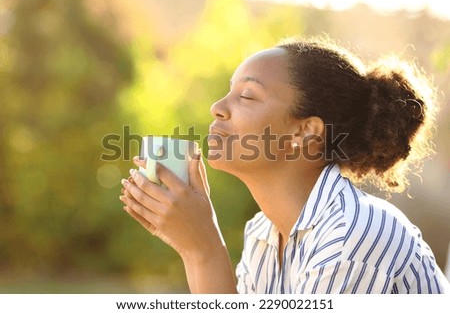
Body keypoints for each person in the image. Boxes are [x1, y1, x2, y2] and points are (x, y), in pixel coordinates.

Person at [119, 36, 450, 293]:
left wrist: (204, 250)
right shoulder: (263, 234)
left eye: (247, 96)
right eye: (228, 92)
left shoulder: (354, 233)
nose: (217, 107)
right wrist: (191, 246)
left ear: (305, 132)